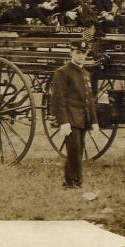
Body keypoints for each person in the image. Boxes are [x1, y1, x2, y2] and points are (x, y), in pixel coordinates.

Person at [49, 41, 98, 189]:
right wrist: (64, 122)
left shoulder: (85, 73)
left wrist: (94, 122)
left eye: (83, 53)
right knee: (74, 150)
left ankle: (77, 180)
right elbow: (58, 99)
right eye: (78, 53)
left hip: (82, 118)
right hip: (70, 118)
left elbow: (90, 99)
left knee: (79, 148)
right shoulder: (63, 72)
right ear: (71, 53)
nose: (81, 56)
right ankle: (71, 182)